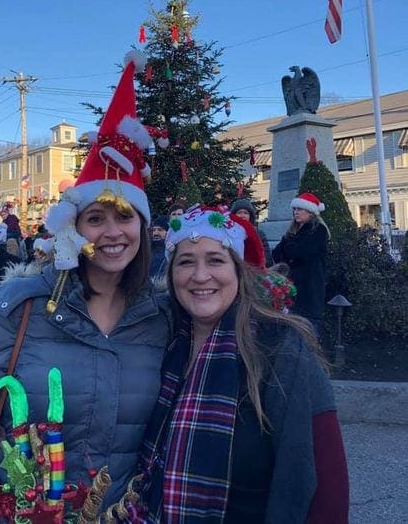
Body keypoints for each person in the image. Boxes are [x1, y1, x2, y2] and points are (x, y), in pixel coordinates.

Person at [0, 51, 171, 522]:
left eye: (125, 217)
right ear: (71, 229)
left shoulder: (162, 317)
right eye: (95, 218)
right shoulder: (18, 310)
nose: (112, 232)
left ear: (142, 226)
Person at [139, 205, 348, 523]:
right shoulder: (162, 342)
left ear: (238, 270)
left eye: (215, 260)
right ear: (170, 275)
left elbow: (325, 487)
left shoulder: (281, 348)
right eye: (185, 262)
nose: (200, 275)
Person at [272, 192, 330, 336]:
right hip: (292, 287)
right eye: (295, 209)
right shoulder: (293, 232)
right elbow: (277, 254)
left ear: (310, 212)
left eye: (300, 209)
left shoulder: (318, 230)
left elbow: (299, 252)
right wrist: (288, 244)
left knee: (307, 331)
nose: (296, 212)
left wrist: (288, 245)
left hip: (310, 287)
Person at [230, 197, 274, 267]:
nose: (242, 216)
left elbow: (267, 258)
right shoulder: (228, 232)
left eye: (246, 213)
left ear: (250, 216)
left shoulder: (259, 234)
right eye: (239, 212)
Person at [150, 215, 168, 291]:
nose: (156, 233)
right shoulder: (147, 251)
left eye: (160, 230)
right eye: (154, 230)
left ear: (168, 232)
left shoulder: (172, 253)